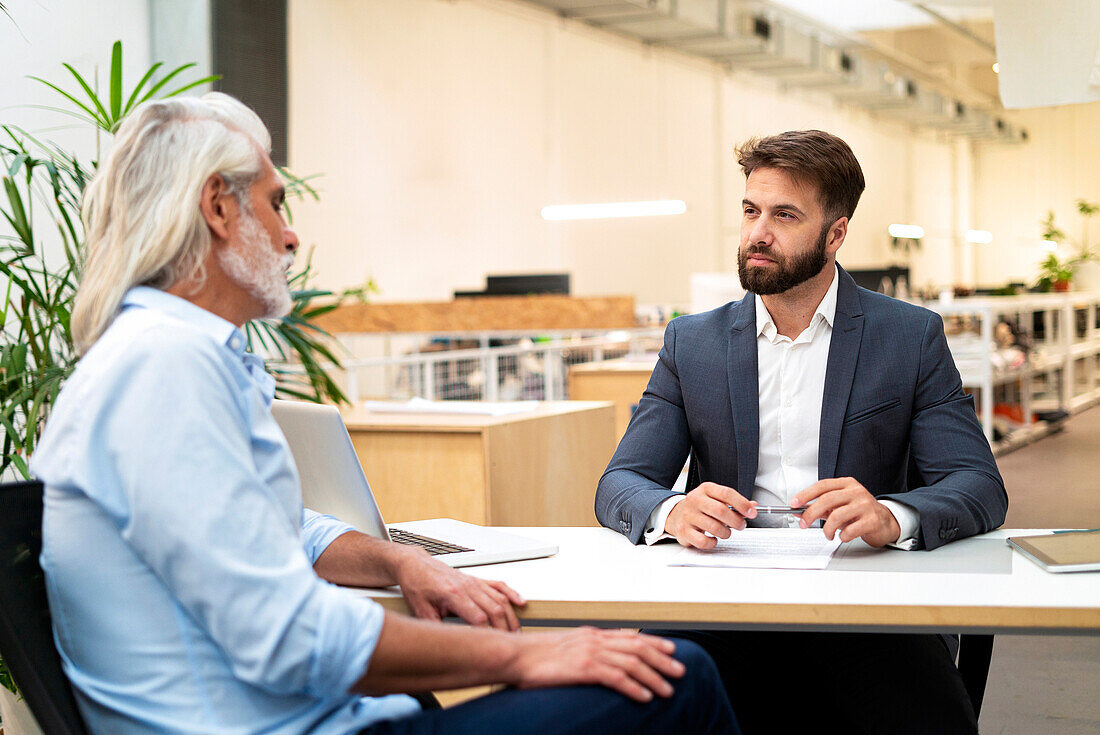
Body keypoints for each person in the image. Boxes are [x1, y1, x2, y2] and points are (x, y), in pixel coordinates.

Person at [30, 93, 740, 735]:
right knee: (680, 675)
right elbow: (291, 636)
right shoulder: (165, 370)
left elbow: (272, 531)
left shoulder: (158, 357)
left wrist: (400, 560)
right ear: (218, 208)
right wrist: (529, 654)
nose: (290, 237)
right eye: (277, 205)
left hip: (314, 715)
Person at [595, 129, 1008, 735]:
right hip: (723, 601)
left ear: (836, 234)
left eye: (784, 215)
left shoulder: (908, 337)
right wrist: (671, 511)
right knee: (640, 711)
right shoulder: (693, 343)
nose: (758, 233)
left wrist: (894, 515)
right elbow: (621, 483)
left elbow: (978, 485)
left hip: (861, 599)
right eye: (750, 210)